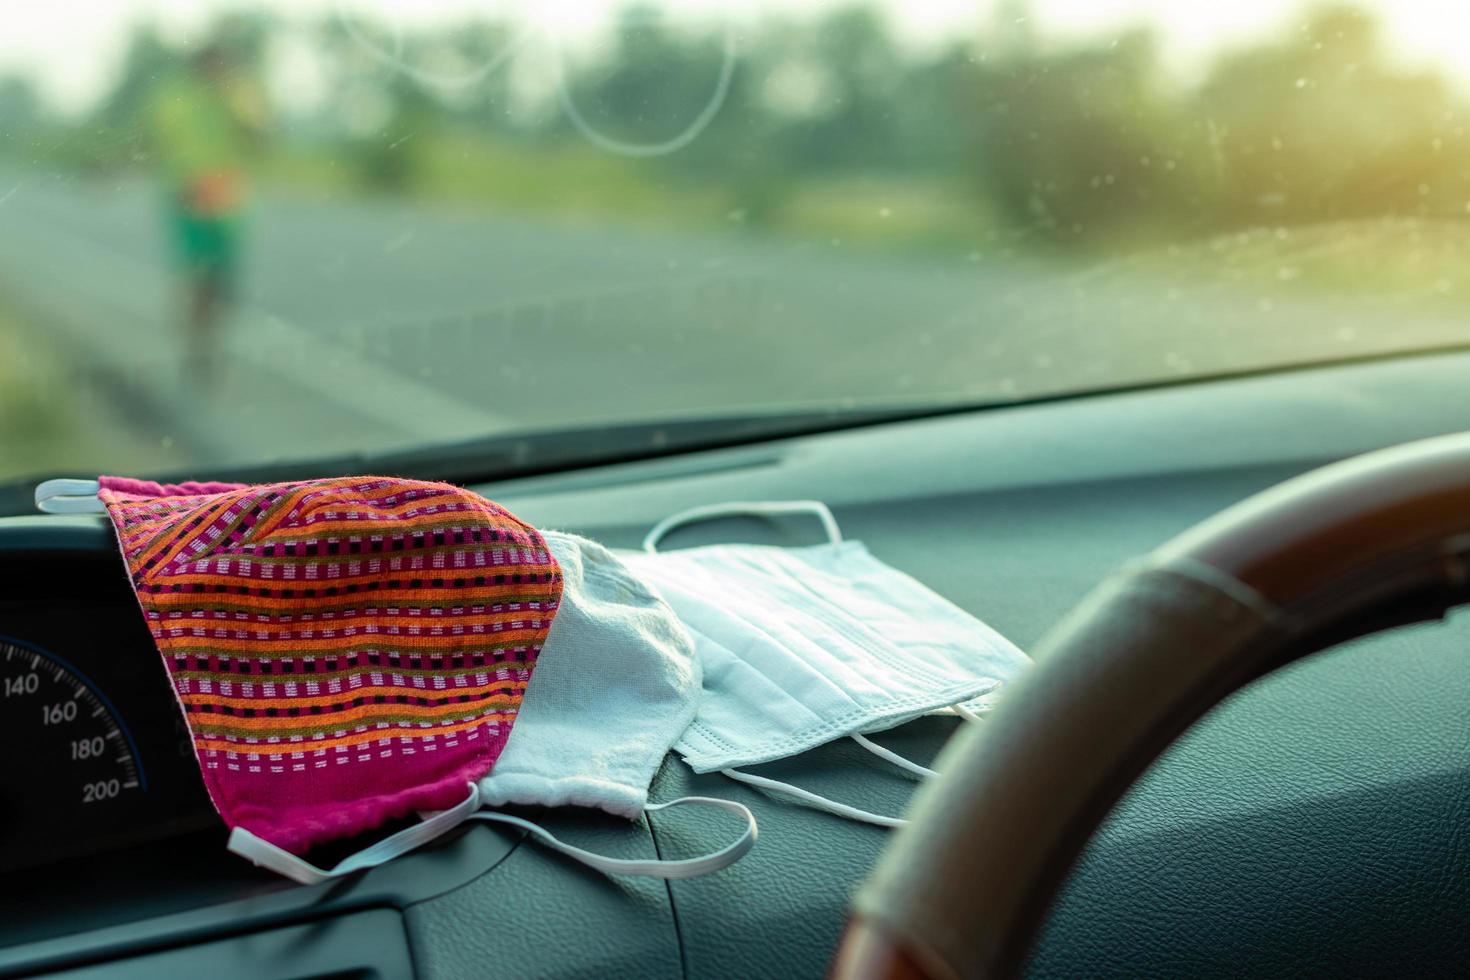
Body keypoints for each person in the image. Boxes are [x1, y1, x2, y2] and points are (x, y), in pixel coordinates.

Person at [146, 40, 266, 379]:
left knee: (223, 281)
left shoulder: (240, 94)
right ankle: (199, 346)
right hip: (190, 196)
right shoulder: (175, 97)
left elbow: (260, 138)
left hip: (228, 199)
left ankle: (204, 337)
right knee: (201, 277)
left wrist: (238, 104)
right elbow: (157, 143)